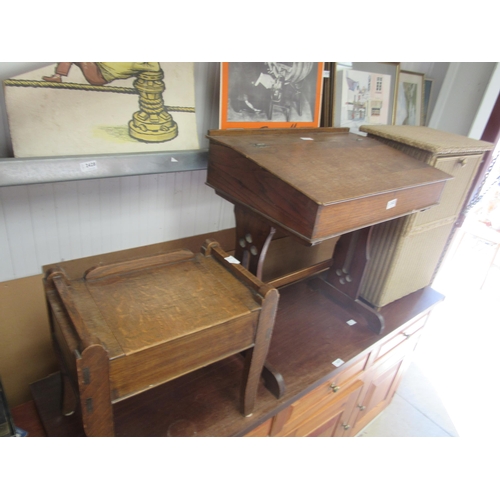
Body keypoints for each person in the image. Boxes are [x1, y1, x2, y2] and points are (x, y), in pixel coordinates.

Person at [43, 62, 161, 85]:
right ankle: (58, 76)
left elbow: (155, 67)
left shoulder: (137, 64)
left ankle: (58, 76)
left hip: (98, 76)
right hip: (98, 68)